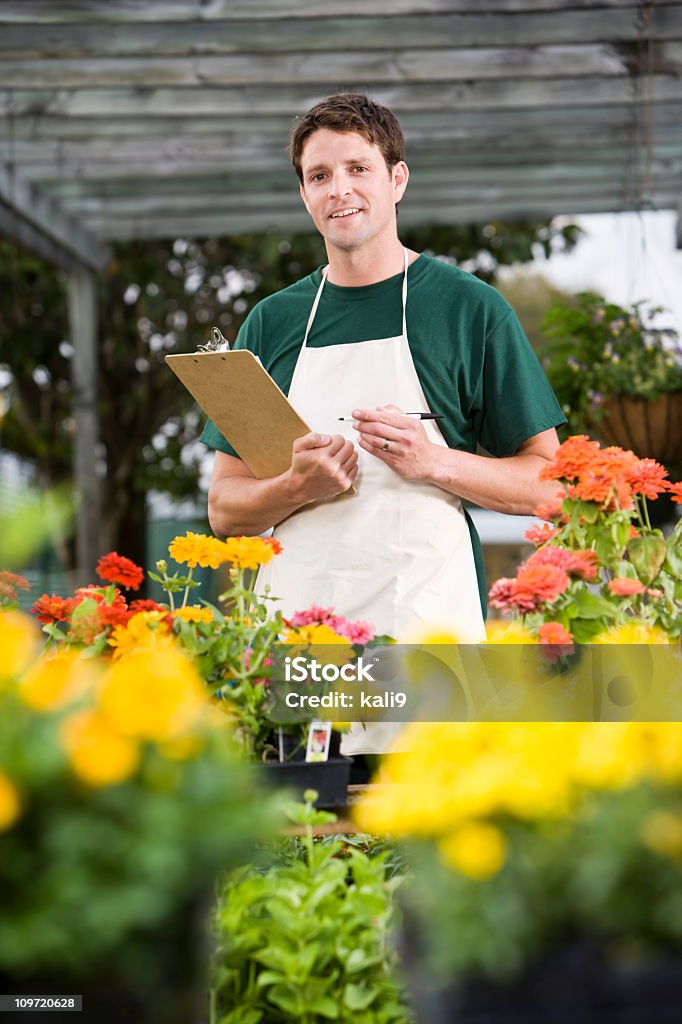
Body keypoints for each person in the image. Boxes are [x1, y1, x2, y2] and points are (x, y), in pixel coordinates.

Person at [201, 92, 565, 751]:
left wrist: (435, 462)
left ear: (397, 178)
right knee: (306, 830)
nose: (338, 190)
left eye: (357, 168)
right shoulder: (270, 324)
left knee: (425, 828)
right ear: (304, 195)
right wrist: (297, 488)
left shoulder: (468, 310)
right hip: (303, 647)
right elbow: (225, 512)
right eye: (318, 176)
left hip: (425, 628)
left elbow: (551, 484)